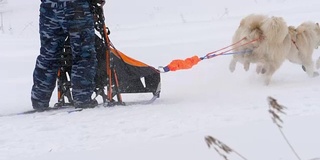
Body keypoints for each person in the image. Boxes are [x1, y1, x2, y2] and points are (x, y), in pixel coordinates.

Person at [31, 0, 105, 111]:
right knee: (83, 55)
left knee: (48, 55)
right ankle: (82, 98)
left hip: (49, 9)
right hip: (76, 8)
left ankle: (39, 100)